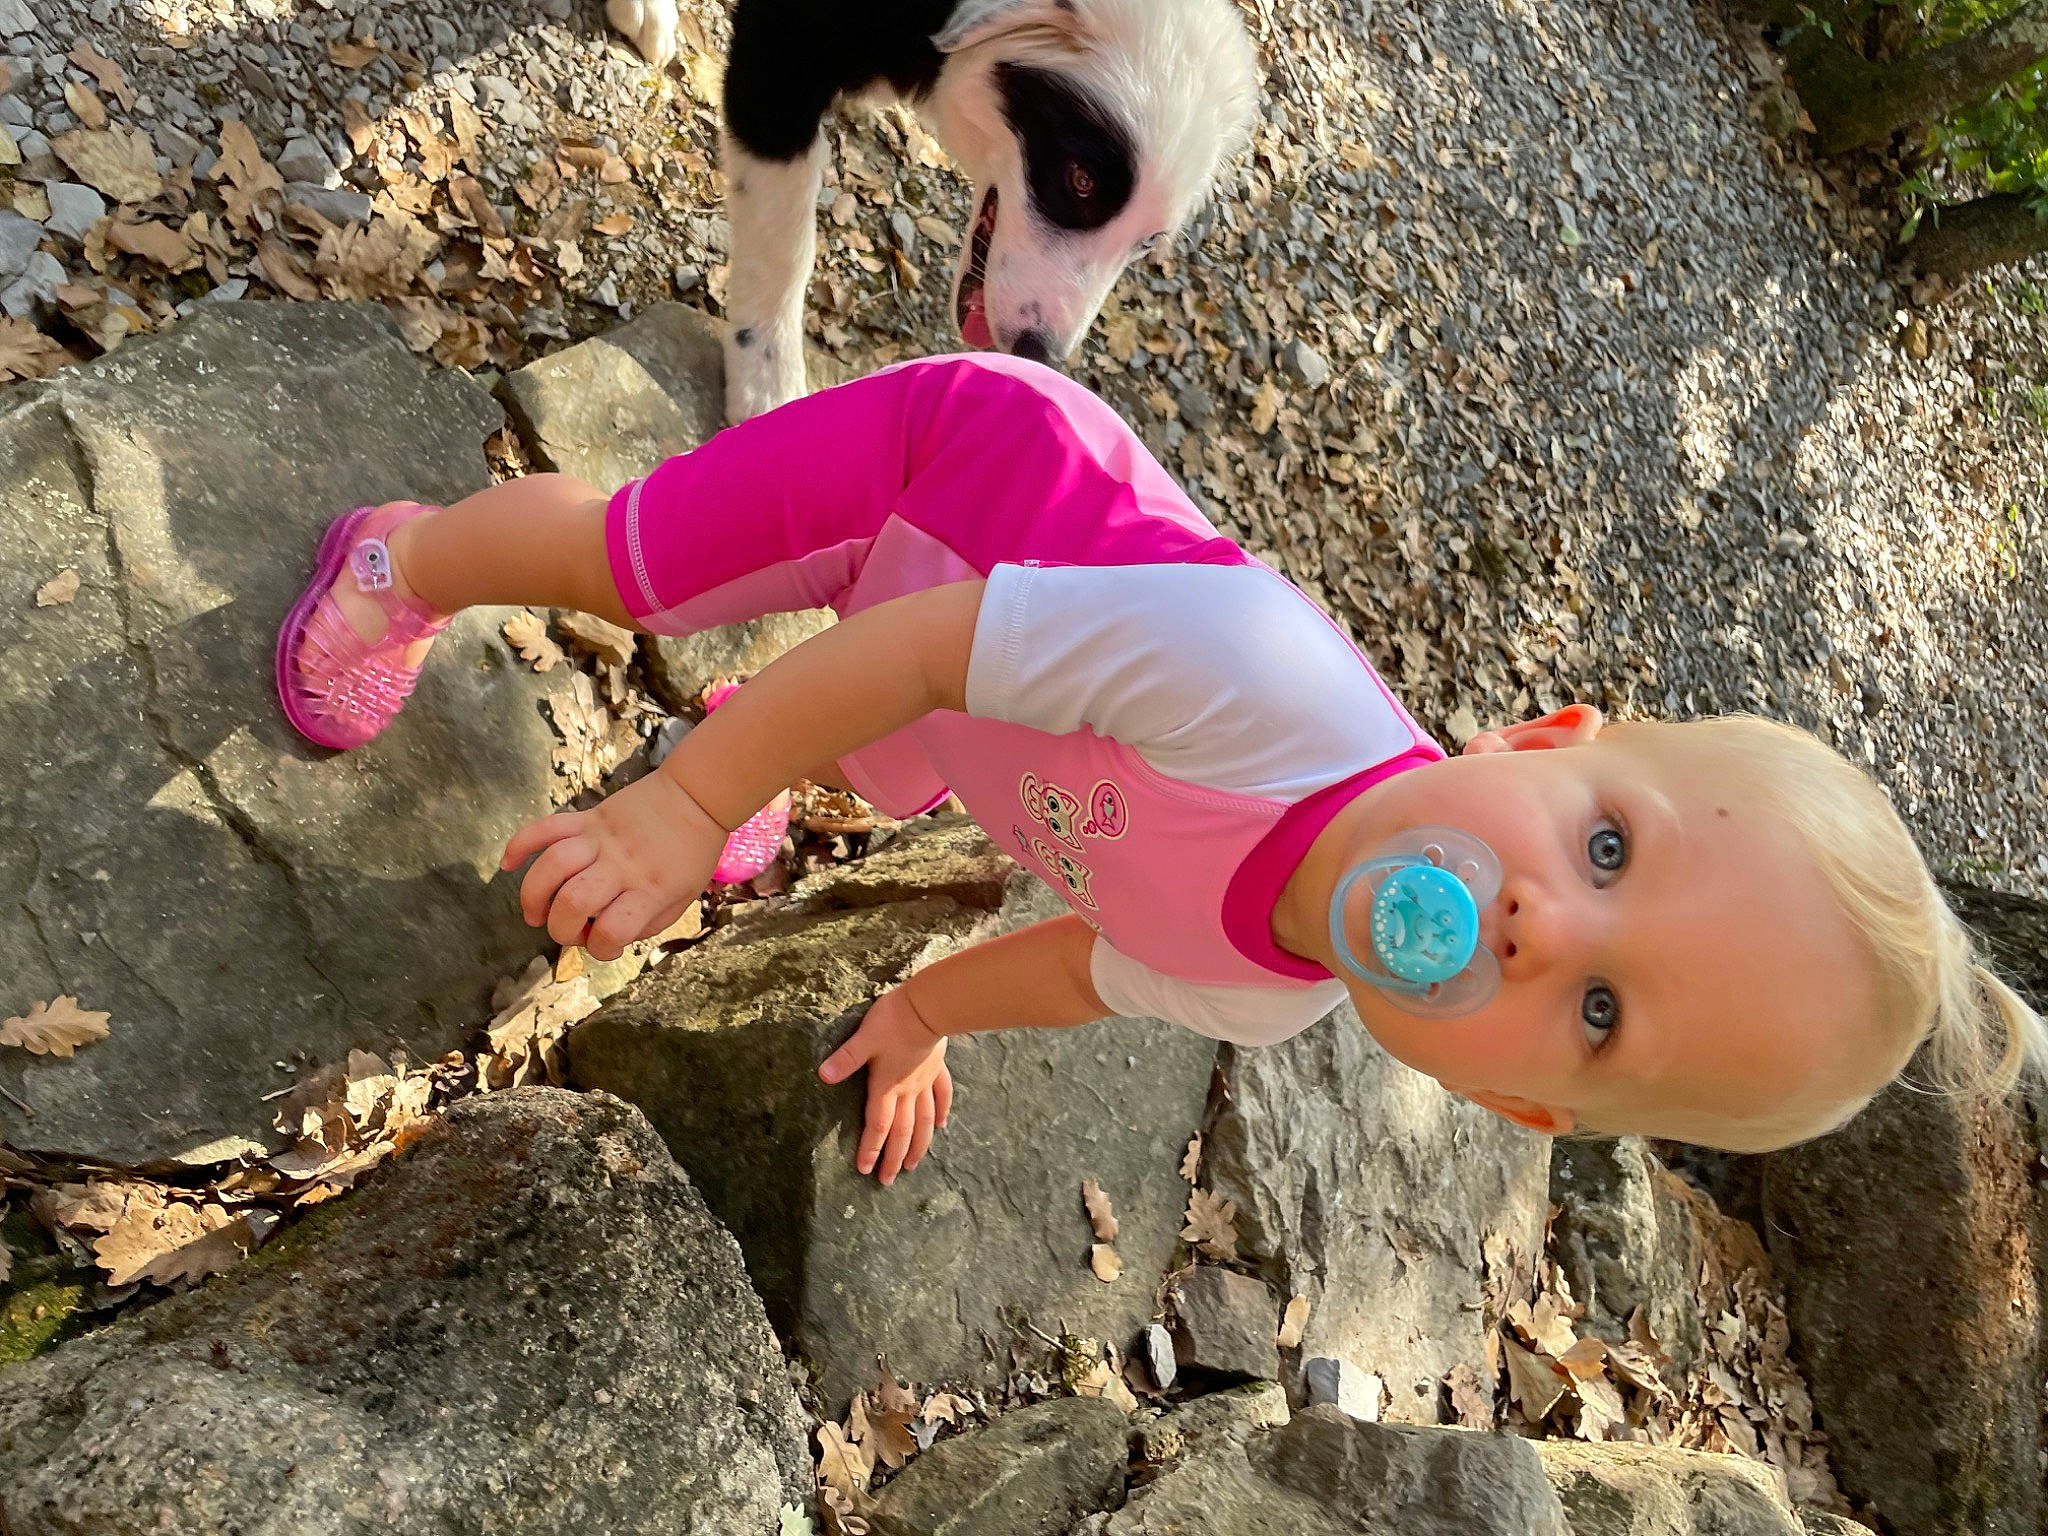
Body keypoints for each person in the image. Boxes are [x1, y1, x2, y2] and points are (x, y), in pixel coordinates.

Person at [277, 354, 2044, 1183]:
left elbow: (1085, 962)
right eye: (1601, 854)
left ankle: (736, 763)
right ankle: (409, 560)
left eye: (1595, 1016)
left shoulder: (1272, 999)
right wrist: (685, 798)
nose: (1530, 931)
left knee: (882, 762)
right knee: (643, 564)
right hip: (952, 494)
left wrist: (925, 1015)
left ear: (1519, 1110)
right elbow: (922, 643)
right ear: (1542, 739)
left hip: (1006, 715)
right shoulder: (1261, 683)